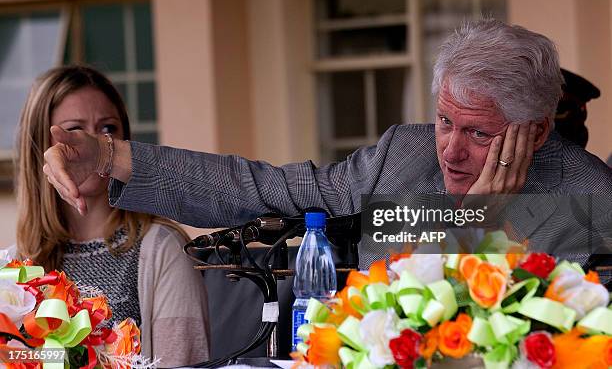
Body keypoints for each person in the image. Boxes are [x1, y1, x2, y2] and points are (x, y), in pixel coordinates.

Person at [42, 20, 612, 266]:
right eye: (443, 121)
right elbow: (263, 189)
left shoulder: (589, 198)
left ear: (537, 130)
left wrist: (483, 219)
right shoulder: (400, 156)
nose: (451, 151)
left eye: (480, 133)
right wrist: (110, 156)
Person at [15, 65, 210, 367]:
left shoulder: (163, 249)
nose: (93, 142)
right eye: (74, 130)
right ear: (41, 149)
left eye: (108, 129)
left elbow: (183, 360)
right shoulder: (18, 264)